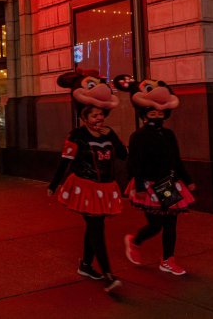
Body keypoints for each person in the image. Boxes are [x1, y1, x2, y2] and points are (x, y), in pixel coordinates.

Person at [48, 71, 125, 293]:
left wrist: (112, 135)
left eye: (101, 115)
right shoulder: (77, 136)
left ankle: (85, 265)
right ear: (84, 118)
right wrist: (54, 185)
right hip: (84, 187)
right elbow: (65, 162)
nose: (99, 119)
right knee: (96, 229)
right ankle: (108, 274)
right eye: (94, 116)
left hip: (106, 187)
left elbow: (122, 155)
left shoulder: (109, 134)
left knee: (94, 228)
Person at [115, 76, 196, 276]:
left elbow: (176, 159)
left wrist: (187, 179)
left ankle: (168, 259)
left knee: (171, 223)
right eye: (152, 112)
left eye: (160, 112)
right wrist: (140, 187)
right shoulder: (139, 136)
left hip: (168, 184)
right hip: (149, 185)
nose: (157, 115)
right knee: (156, 224)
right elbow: (134, 164)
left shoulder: (168, 135)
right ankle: (135, 241)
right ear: (144, 114)